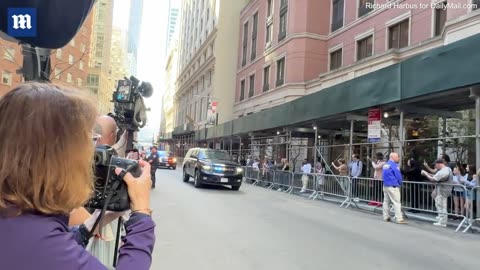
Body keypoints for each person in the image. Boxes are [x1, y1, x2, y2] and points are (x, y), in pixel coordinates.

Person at [0, 83, 155, 269]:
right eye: (88, 141)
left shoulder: (17, 218)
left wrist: (91, 224)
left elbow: (51, 246)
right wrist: (141, 214)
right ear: (57, 157)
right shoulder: (40, 244)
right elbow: (47, 251)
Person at [421, 159, 454, 227]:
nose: (435, 166)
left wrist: (425, 174)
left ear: (439, 164)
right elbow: (435, 175)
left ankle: (442, 222)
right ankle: (440, 217)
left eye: (436, 165)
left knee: (441, 205)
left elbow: (433, 179)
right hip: (443, 189)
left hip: (443, 190)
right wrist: (427, 173)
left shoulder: (444, 171)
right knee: (439, 203)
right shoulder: (447, 169)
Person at [382, 152, 407, 224]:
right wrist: (399, 183)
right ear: (393, 157)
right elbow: (398, 176)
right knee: (396, 202)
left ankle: (386, 216)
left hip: (386, 185)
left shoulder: (385, 165)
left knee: (386, 202)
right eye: (397, 157)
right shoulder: (395, 165)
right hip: (393, 185)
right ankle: (399, 218)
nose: (398, 158)